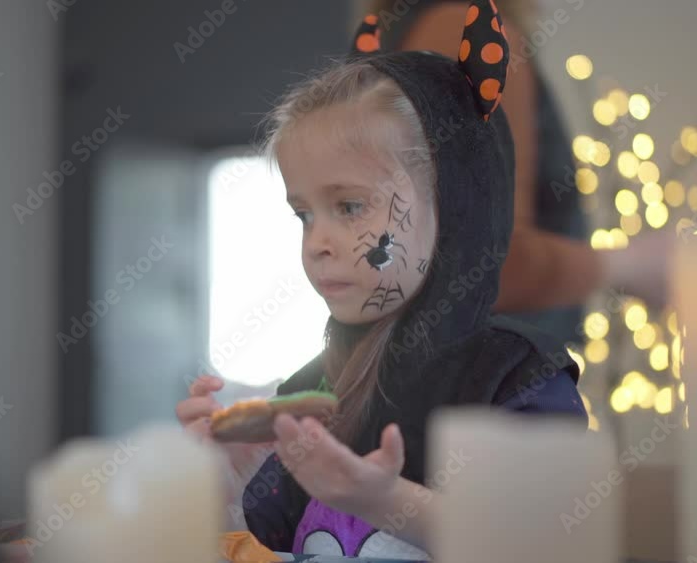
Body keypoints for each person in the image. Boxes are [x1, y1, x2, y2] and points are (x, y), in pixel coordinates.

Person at [175, 2, 585, 558]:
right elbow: (269, 545)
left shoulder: (517, 380)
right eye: (304, 214)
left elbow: (538, 544)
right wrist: (234, 475)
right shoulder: (311, 390)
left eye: (348, 206)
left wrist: (383, 499)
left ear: (454, 209)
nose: (316, 240)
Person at [370, 0, 673, 347]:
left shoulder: (402, 34)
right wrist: (629, 265)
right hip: (478, 383)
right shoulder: (468, 31)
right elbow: (484, 261)